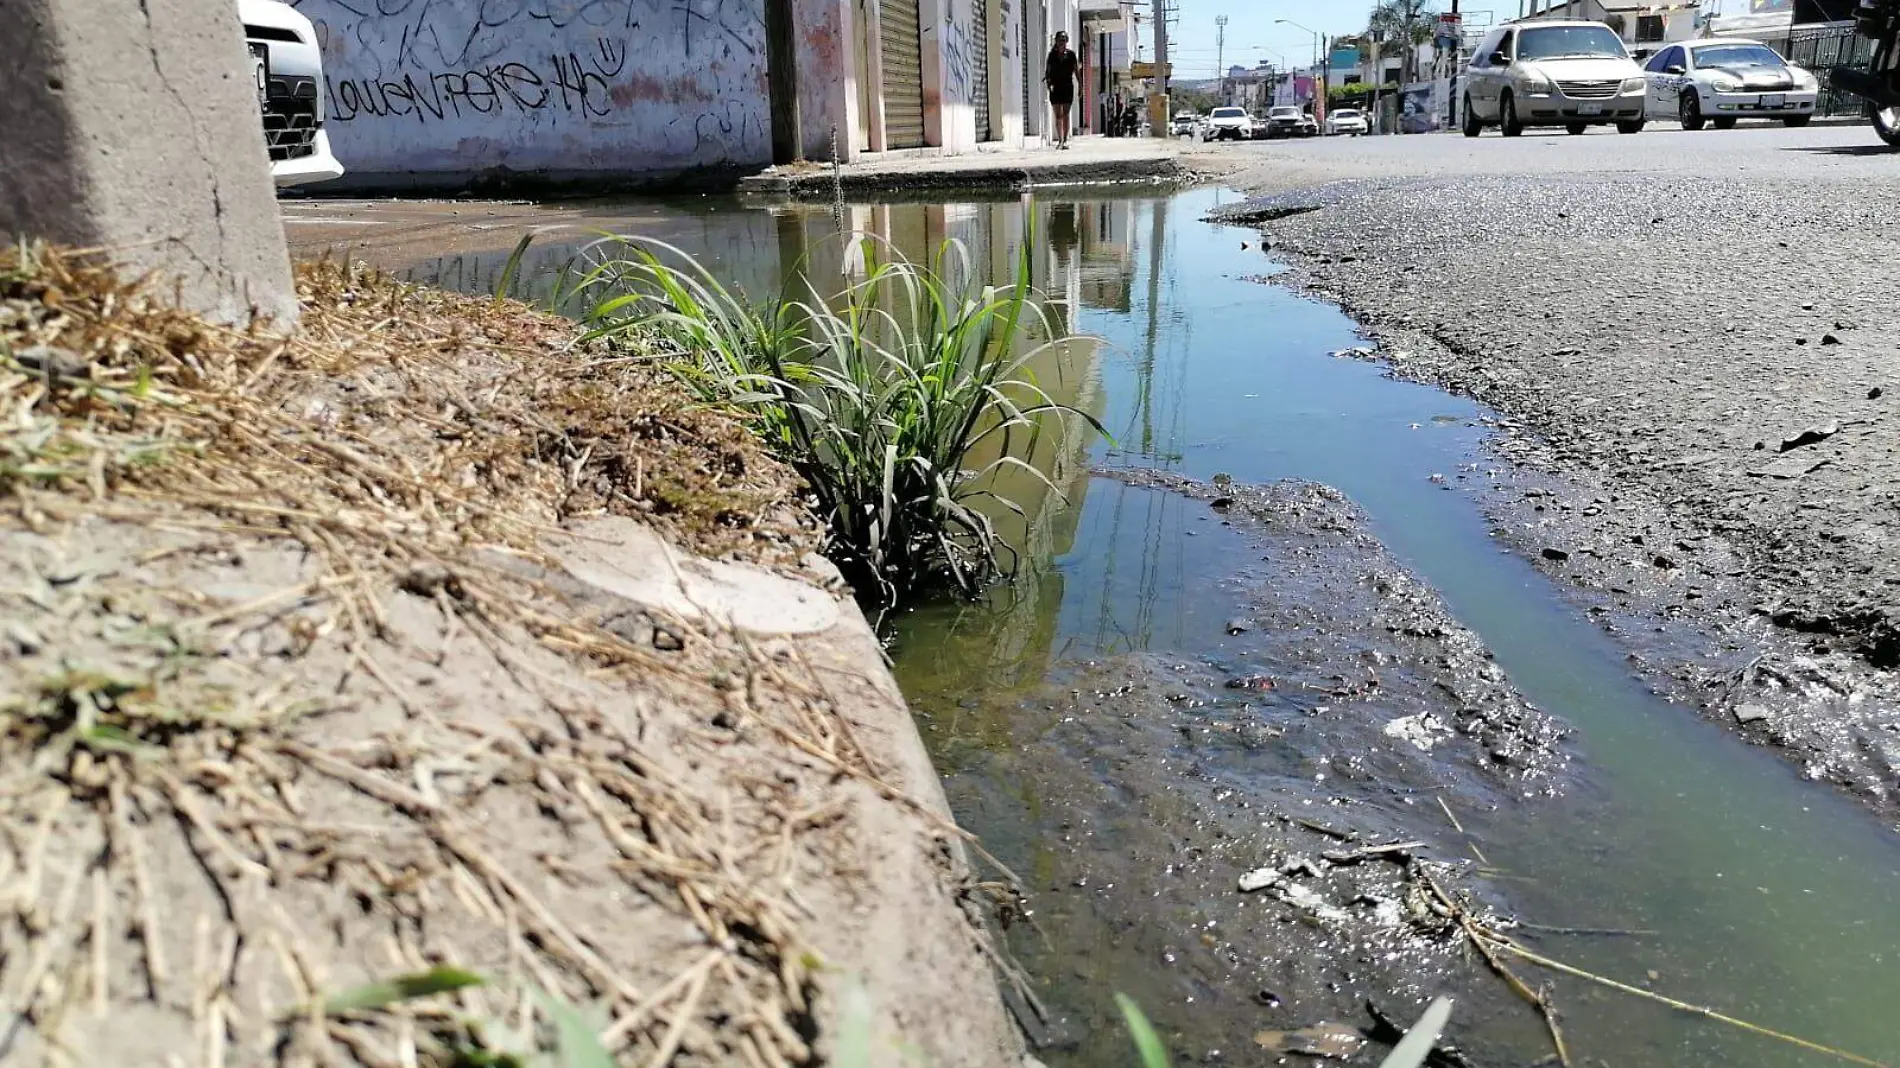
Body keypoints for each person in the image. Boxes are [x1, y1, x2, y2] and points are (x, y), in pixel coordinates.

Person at [1044, 31, 1079, 149]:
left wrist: (1081, 87)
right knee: (1058, 114)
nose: (1062, 41)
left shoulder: (1071, 55)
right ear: (1056, 41)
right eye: (1060, 39)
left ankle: (1064, 140)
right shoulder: (1052, 55)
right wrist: (1049, 85)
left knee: (1066, 114)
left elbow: (1076, 71)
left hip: (1067, 86)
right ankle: (1060, 140)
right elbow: (1048, 71)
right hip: (1056, 86)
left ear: (1067, 41)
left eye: (1064, 39)